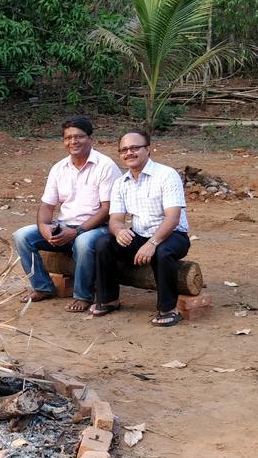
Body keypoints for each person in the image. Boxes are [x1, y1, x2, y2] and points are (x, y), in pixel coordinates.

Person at [12, 116, 121, 312]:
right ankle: (43, 287)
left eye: (79, 136)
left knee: (83, 242)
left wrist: (77, 231)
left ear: (91, 139)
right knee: (22, 236)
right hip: (64, 225)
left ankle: (83, 295)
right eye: (68, 138)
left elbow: (107, 210)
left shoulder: (105, 166)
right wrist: (45, 228)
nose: (73, 142)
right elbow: (46, 205)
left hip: (98, 228)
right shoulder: (59, 168)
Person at [90, 129, 191, 326]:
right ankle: (109, 299)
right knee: (104, 242)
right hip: (140, 235)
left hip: (173, 235)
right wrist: (119, 231)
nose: (129, 153)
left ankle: (168, 309)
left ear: (148, 150)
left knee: (162, 251)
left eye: (135, 148)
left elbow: (173, 218)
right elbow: (116, 219)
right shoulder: (121, 183)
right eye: (124, 150)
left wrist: (152, 243)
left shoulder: (166, 175)